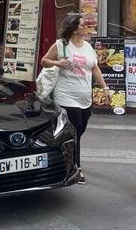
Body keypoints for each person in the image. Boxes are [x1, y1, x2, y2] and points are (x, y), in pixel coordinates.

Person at [40, 13, 111, 185]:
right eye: (82, 25)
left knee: (80, 129)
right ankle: (75, 168)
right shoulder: (61, 45)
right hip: (66, 94)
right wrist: (57, 63)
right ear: (73, 29)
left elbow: (94, 68)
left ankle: (60, 155)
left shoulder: (87, 46)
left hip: (84, 96)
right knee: (76, 129)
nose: (85, 28)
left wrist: (105, 88)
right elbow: (44, 61)